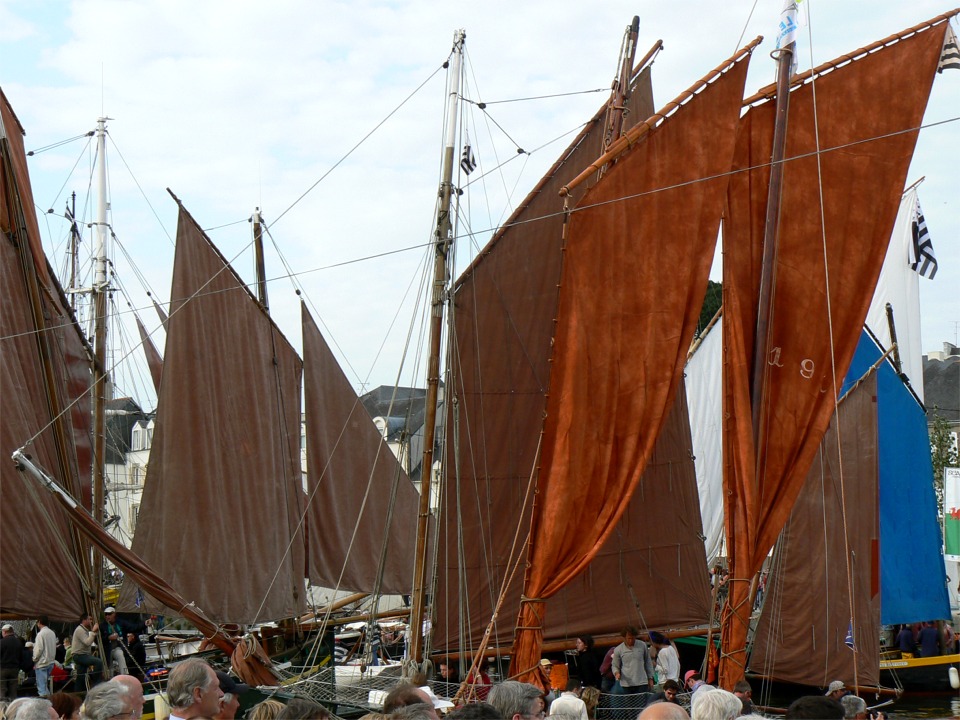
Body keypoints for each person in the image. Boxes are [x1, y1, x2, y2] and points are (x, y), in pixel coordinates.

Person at [611, 626, 654, 694]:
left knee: (643, 704)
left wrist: (650, 678)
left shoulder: (642, 645)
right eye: (629, 638)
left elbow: (648, 662)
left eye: (633, 638)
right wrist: (616, 673)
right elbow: (615, 665)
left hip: (642, 682)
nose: (631, 640)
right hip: (626, 684)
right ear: (624, 637)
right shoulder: (618, 649)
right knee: (629, 705)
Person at [71, 615, 103, 687]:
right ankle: (97, 684)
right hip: (80, 655)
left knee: (81, 677)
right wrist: (93, 632)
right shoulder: (80, 630)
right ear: (84, 620)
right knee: (98, 662)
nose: (91, 621)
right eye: (90, 619)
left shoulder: (84, 630)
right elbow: (87, 642)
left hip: (81, 655)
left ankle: (78, 692)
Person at [32, 617, 57, 698]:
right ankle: (50, 703)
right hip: (51, 662)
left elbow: (38, 649)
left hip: (42, 663)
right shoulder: (52, 633)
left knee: (41, 688)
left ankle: (45, 706)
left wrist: (34, 659)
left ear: (39, 622)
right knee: (45, 686)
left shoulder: (40, 634)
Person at [98, 609, 127, 678]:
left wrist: (144, 624)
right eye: (106, 614)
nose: (107, 616)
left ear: (114, 614)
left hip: (117, 647)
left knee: (120, 655)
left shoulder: (120, 623)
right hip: (107, 649)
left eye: (109, 614)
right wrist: (108, 638)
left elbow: (132, 627)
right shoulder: (102, 626)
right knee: (109, 664)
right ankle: (110, 678)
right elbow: (98, 640)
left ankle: (125, 675)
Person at [1, 624, 22, 701]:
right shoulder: (18, 642)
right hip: (15, 669)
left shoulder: (1, 642)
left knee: (2, 689)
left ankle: (2, 708)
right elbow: (21, 656)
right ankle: (13, 707)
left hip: (2, 669)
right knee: (13, 690)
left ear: (5, 632)